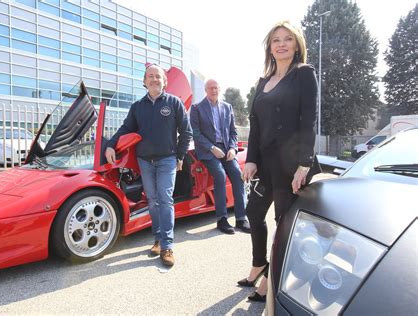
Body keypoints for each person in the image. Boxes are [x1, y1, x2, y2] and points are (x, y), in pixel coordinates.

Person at [238, 21, 319, 302]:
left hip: (291, 163)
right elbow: (256, 124)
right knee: (253, 213)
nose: (281, 44)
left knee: (283, 224)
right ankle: (259, 263)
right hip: (265, 163)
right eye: (276, 40)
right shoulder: (263, 81)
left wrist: (304, 163)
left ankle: (271, 280)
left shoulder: (304, 74)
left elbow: (309, 120)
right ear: (270, 48)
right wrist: (250, 160)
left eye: (287, 39)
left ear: (296, 45)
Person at [105, 64, 193, 267]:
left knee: (165, 199)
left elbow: (186, 132)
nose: (154, 79)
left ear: (165, 81)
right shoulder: (137, 107)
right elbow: (125, 128)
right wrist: (110, 145)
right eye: (150, 76)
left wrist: (179, 156)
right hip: (145, 161)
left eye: (158, 76)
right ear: (144, 82)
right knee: (152, 200)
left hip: (167, 160)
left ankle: (167, 246)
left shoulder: (174, 103)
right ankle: (157, 238)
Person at [190, 79, 250, 234]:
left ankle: (241, 219)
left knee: (238, 175)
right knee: (220, 174)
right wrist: (212, 148)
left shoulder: (227, 107)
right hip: (207, 150)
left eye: (216, 88)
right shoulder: (197, 108)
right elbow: (196, 133)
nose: (213, 90)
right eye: (210, 88)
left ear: (219, 89)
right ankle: (222, 219)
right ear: (205, 89)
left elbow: (233, 132)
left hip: (226, 149)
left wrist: (232, 148)